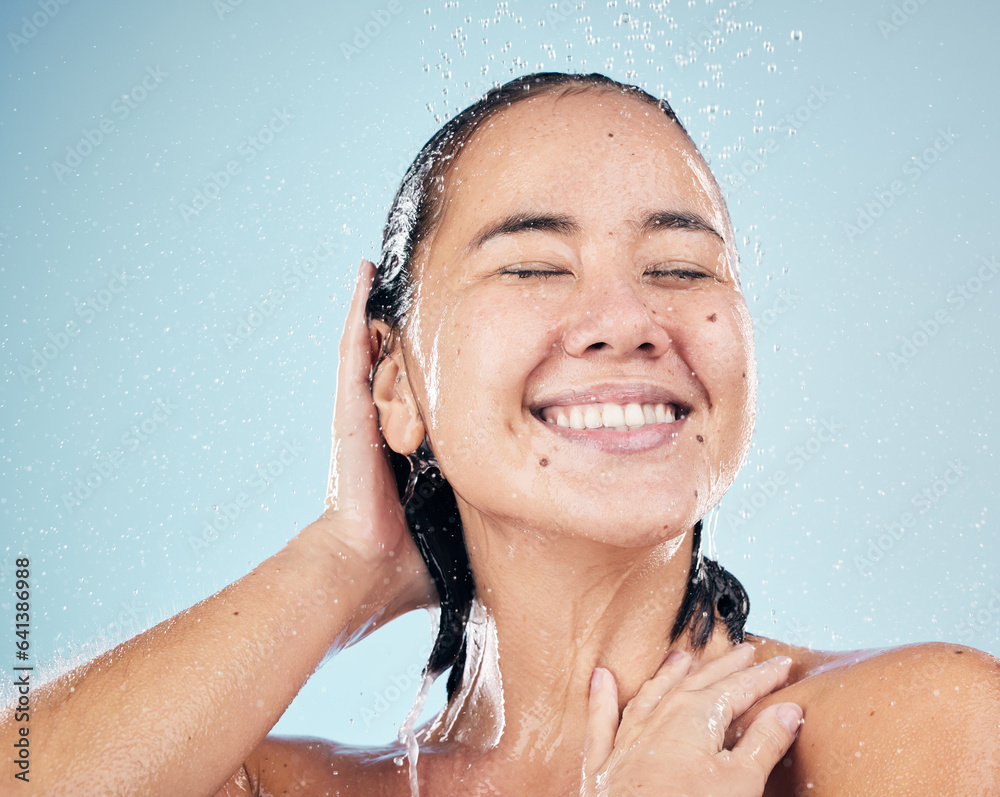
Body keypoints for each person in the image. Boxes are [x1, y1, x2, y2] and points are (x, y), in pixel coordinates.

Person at [3, 72, 998, 797]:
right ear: (392, 380)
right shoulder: (264, 785)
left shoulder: (928, 734)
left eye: (683, 267)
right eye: (532, 266)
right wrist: (344, 559)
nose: (628, 316)